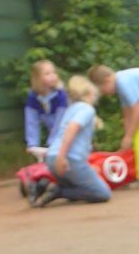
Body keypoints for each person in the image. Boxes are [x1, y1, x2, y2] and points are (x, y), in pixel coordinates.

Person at [29, 74, 109, 208]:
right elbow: (72, 128)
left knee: (75, 185)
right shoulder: (87, 109)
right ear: (89, 94)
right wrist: (62, 157)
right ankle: (59, 191)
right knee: (102, 193)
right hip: (69, 159)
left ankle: (43, 185)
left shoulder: (71, 109)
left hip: (52, 158)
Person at [22, 59, 69, 160]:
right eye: (47, 74)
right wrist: (32, 144)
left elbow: (60, 122)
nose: (53, 76)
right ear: (38, 78)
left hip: (69, 134)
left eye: (54, 72)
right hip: (55, 138)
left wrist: (52, 143)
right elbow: (31, 121)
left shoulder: (61, 95)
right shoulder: (33, 97)